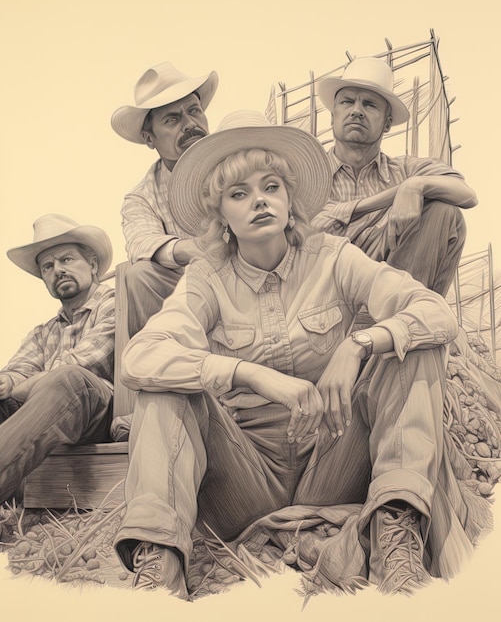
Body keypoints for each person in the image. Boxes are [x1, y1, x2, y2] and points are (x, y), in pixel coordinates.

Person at [112, 111, 479, 598]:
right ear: (221, 217)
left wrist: (357, 344)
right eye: (239, 194)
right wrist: (251, 376)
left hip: (334, 461)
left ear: (290, 200)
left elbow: (435, 313)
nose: (259, 201)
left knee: (408, 346)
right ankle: (158, 575)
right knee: (167, 385)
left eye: (271, 187)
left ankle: (397, 538)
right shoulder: (205, 280)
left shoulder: (333, 256)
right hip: (246, 479)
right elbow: (140, 357)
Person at [312, 57, 478, 297]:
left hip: (393, 289)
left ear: (387, 123)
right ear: (332, 116)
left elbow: (467, 195)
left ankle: (402, 315)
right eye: (347, 101)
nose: (356, 111)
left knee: (445, 211)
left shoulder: (405, 169)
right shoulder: (309, 173)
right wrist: (397, 194)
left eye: (369, 104)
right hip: (323, 293)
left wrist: (415, 185)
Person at [0, 214, 115, 504]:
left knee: (69, 380)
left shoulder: (115, 303)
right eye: (48, 266)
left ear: (92, 265)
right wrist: (8, 382)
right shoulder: (43, 332)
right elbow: (17, 372)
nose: (58, 270)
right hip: (48, 413)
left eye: (67, 260)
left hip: (102, 412)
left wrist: (28, 384)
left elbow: (87, 363)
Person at [111, 61, 219, 335]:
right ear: (149, 138)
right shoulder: (141, 197)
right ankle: (168, 363)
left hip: (250, 273)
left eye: (194, 111)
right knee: (139, 276)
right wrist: (197, 248)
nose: (190, 124)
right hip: (189, 294)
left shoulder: (234, 159)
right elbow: (142, 242)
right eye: (172, 119)